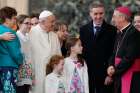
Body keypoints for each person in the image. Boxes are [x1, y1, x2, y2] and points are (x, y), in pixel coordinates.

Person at [79, 1, 116, 93]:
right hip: (88, 73)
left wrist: (110, 75)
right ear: (90, 14)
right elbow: (82, 51)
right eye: (95, 14)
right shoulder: (83, 30)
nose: (98, 16)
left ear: (104, 13)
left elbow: (114, 53)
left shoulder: (112, 30)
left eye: (101, 13)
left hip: (105, 74)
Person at [107, 6, 140, 93]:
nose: (112, 19)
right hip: (120, 74)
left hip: (132, 77)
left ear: (122, 18)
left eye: (114, 16)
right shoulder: (119, 33)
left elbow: (129, 57)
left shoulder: (134, 34)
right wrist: (110, 65)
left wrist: (115, 70)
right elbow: (114, 53)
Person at [29, 10, 61, 93]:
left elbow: (58, 56)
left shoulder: (54, 36)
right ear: (43, 22)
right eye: (52, 22)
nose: (54, 24)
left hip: (52, 75)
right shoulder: (31, 33)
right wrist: (29, 76)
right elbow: (27, 57)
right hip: (36, 74)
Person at [0, 6, 23, 93]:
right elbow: (15, 53)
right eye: (14, 18)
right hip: (9, 67)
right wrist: (21, 61)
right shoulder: (10, 33)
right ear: (6, 19)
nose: (15, 21)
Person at [16, 14, 33, 93]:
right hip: (19, 73)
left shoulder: (28, 37)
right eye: (27, 23)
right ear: (19, 24)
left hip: (28, 74)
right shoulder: (16, 36)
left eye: (30, 24)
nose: (29, 26)